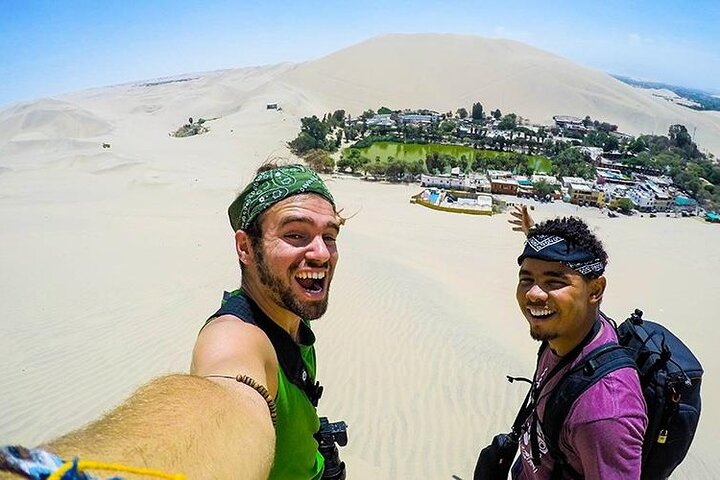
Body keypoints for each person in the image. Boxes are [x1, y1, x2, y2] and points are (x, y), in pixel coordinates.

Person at [0, 162, 343, 480]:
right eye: (295, 235)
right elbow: (224, 405)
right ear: (246, 248)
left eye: (329, 236)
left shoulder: (290, 306)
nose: (322, 253)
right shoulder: (234, 339)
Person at [487, 209, 647, 479]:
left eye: (555, 281)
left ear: (595, 291)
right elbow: (556, 268)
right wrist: (534, 234)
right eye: (527, 279)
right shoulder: (580, 326)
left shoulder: (604, 413)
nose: (534, 294)